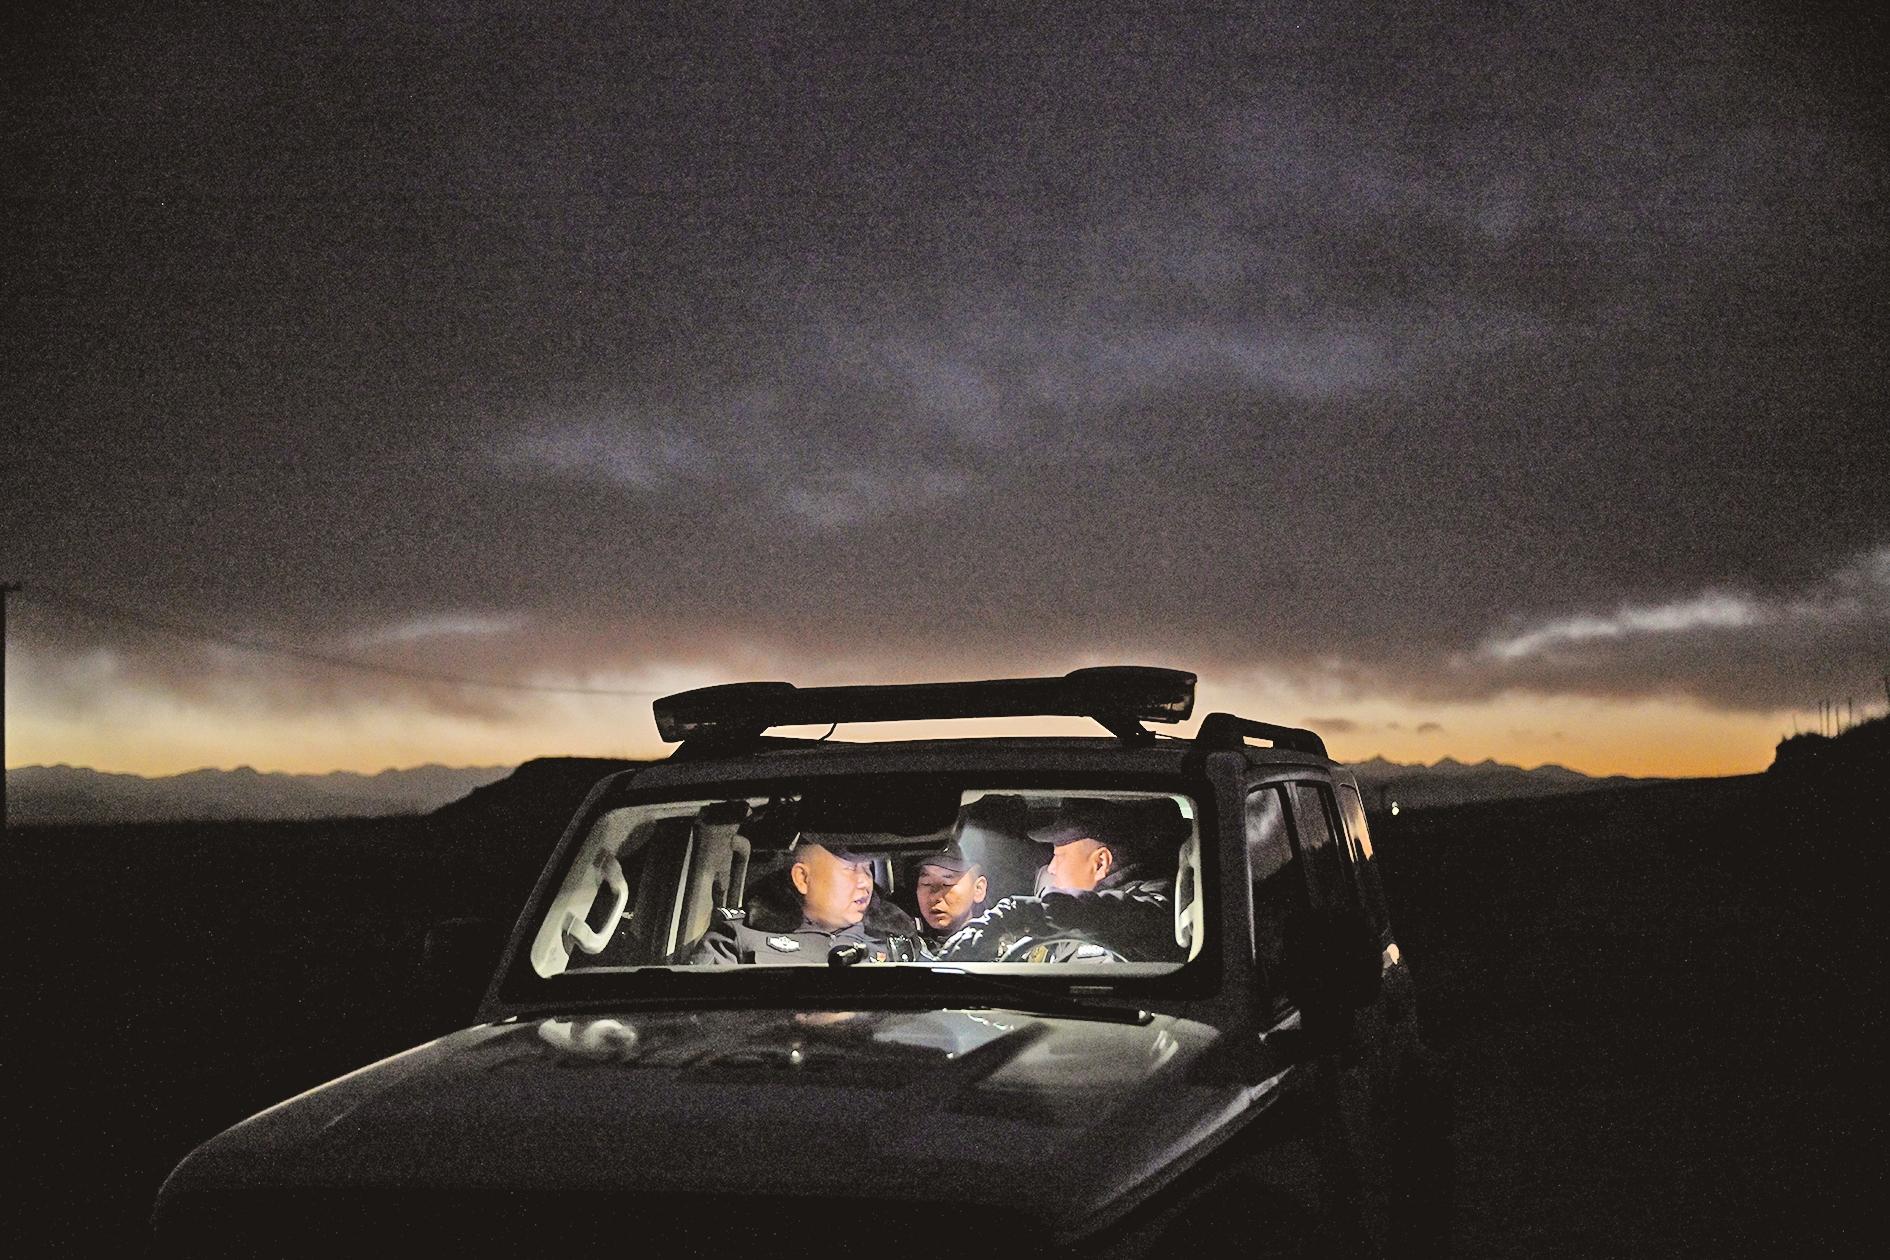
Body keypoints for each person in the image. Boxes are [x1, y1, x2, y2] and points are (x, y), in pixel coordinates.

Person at [934, 797, 1188, 963]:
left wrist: (1015, 914)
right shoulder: (1079, 915)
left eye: (1059, 855)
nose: (1052, 868)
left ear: (1100, 863)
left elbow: (1140, 919)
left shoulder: (1157, 906)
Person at [690, 838, 919, 965]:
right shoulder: (740, 937)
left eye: (867, 869)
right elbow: (704, 1022)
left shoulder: (897, 941)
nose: (864, 882)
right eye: (850, 869)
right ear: (803, 878)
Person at [911, 838, 990, 948]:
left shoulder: (995, 948)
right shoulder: (905, 945)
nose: (934, 896)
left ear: (978, 889)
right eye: (926, 883)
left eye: (947, 883)